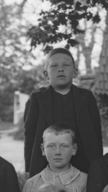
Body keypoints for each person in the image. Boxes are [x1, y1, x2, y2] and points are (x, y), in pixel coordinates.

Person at [24, 47, 103, 176]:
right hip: (46, 164)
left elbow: (96, 132)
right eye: (54, 66)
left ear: (75, 72)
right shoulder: (37, 99)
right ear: (46, 74)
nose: (60, 69)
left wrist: (98, 163)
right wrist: (30, 167)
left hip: (83, 163)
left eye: (66, 65)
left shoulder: (86, 97)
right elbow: (29, 134)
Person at [21, 125, 87, 192]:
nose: (57, 152)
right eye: (51, 146)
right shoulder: (31, 184)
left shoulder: (85, 181)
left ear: (74, 149)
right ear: (43, 149)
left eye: (64, 146)